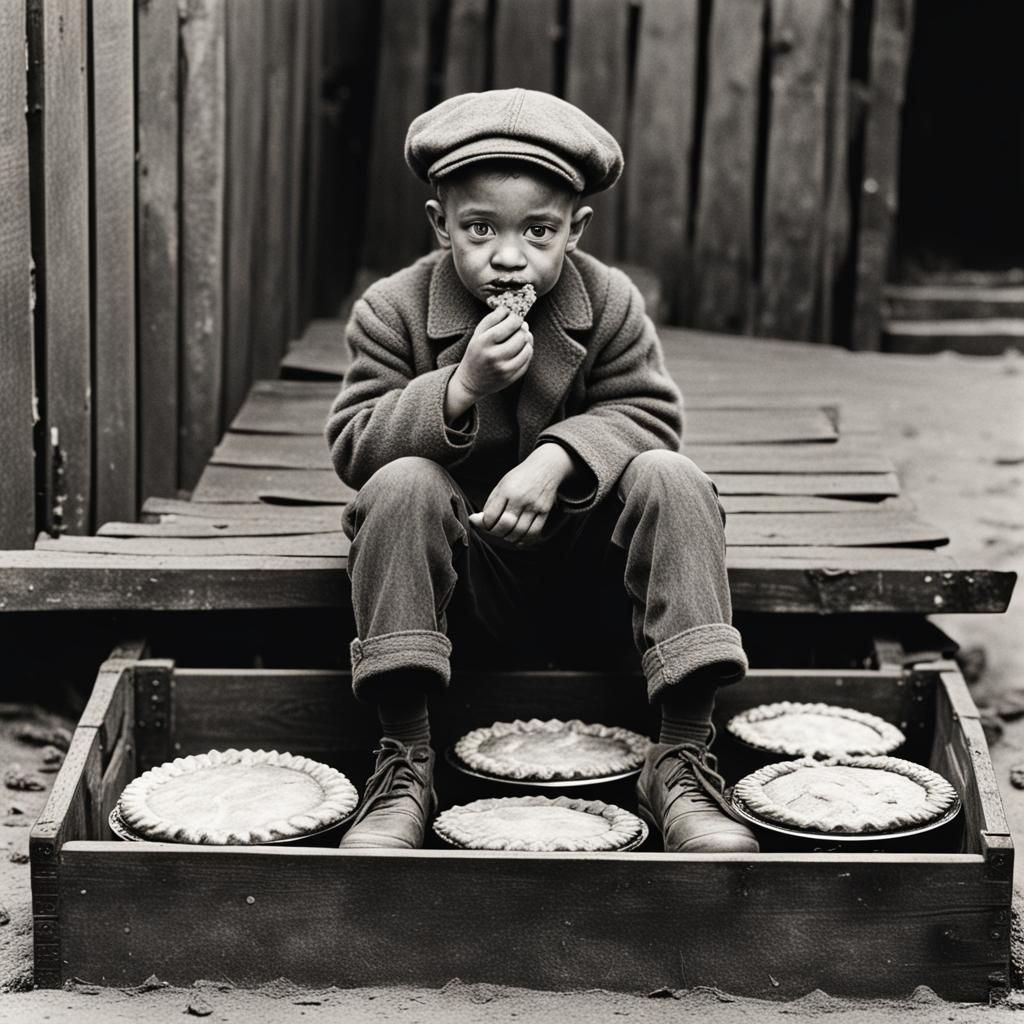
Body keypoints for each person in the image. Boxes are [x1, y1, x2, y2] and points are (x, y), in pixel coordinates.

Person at [325, 88, 757, 854]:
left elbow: (652, 417)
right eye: (479, 228)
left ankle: (682, 752)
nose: (508, 255)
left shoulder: (610, 302)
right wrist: (460, 389)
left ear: (576, 230)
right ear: (439, 225)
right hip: (462, 583)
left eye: (539, 231)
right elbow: (355, 445)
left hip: (594, 577)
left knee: (673, 478)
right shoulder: (391, 310)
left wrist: (558, 457)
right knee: (399, 485)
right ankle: (406, 760)